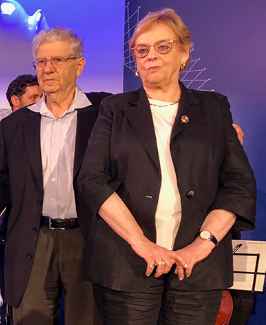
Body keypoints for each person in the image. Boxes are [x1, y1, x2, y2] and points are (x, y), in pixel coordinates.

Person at [77, 8, 256, 324]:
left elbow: (238, 185)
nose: (151, 57)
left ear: (184, 53)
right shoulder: (114, 109)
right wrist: (143, 244)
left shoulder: (214, 108)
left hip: (198, 271)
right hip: (127, 265)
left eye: (163, 46)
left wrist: (199, 248)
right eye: (142, 50)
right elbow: (92, 179)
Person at [0, 27, 109, 324]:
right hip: (32, 241)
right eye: (41, 62)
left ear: (79, 65)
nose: (48, 69)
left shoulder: (105, 111)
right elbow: (3, 182)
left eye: (58, 60)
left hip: (90, 239)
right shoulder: (15, 125)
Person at [0, 73, 42, 325]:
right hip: (8, 226)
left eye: (42, 96)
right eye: (34, 98)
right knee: (11, 292)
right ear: (15, 101)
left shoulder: (51, 131)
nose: (41, 102)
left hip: (45, 227)